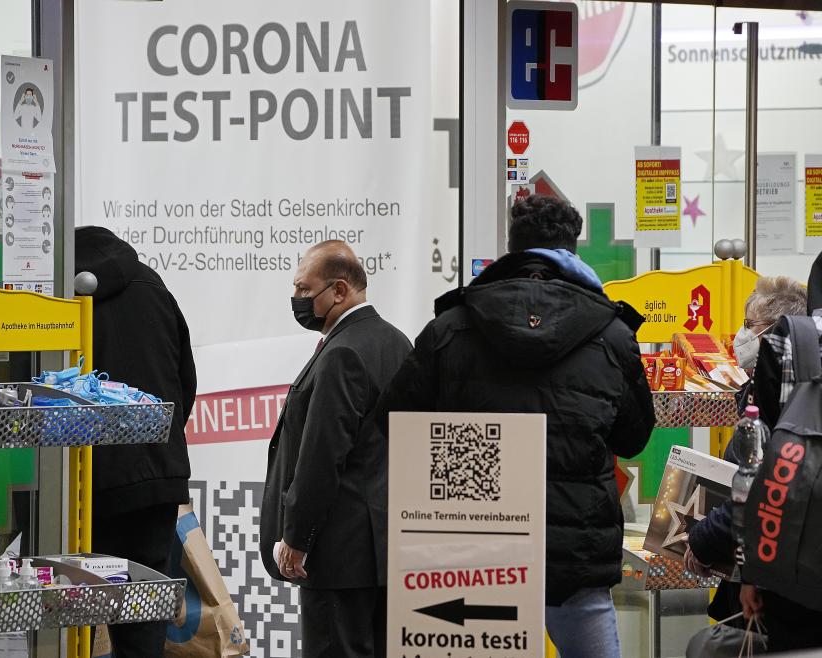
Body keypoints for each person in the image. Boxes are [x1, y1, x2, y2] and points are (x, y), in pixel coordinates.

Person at [377, 195, 655, 658]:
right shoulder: (612, 335)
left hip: (474, 555)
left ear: (512, 250)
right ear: (572, 251)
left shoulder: (451, 327)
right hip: (576, 557)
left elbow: (396, 424)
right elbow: (633, 436)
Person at [260, 240, 411, 658]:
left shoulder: (343, 352)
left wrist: (297, 535)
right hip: (383, 552)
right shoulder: (397, 343)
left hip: (338, 552)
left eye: (305, 290)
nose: (298, 300)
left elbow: (322, 457)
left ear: (340, 290)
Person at [76, 226, 197, 657]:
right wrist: (156, 445)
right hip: (155, 482)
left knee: (74, 613)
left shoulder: (58, 296)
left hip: (82, 485)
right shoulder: (153, 287)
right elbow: (186, 380)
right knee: (143, 620)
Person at [685, 276, 807, 629]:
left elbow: (758, 488)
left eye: (747, 324)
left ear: (773, 332)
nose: (740, 335)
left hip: (773, 582)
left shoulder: (781, 399)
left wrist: (706, 538)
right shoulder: (763, 389)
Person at [737, 271, 822, 653]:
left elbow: (765, 476)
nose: (741, 334)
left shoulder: (786, 351)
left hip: (795, 563)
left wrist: (750, 571)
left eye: (747, 325)